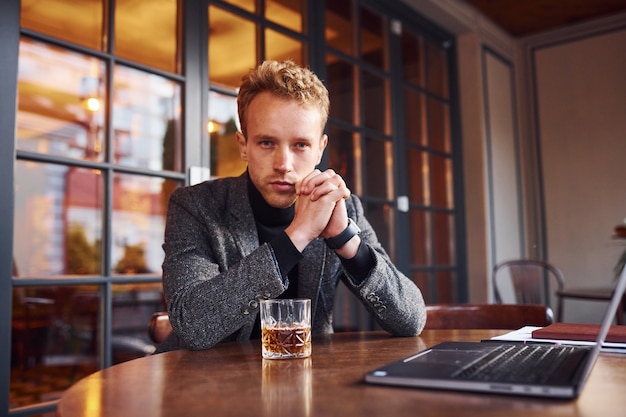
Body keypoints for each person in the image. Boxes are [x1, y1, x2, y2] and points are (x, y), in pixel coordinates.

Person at [158, 60, 426, 352]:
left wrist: (346, 242)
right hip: (203, 388)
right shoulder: (195, 206)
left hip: (308, 384)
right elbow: (194, 324)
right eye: (266, 143)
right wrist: (296, 236)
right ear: (243, 145)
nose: (284, 165)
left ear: (320, 149)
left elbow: (411, 320)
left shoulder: (343, 210)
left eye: (300, 145)